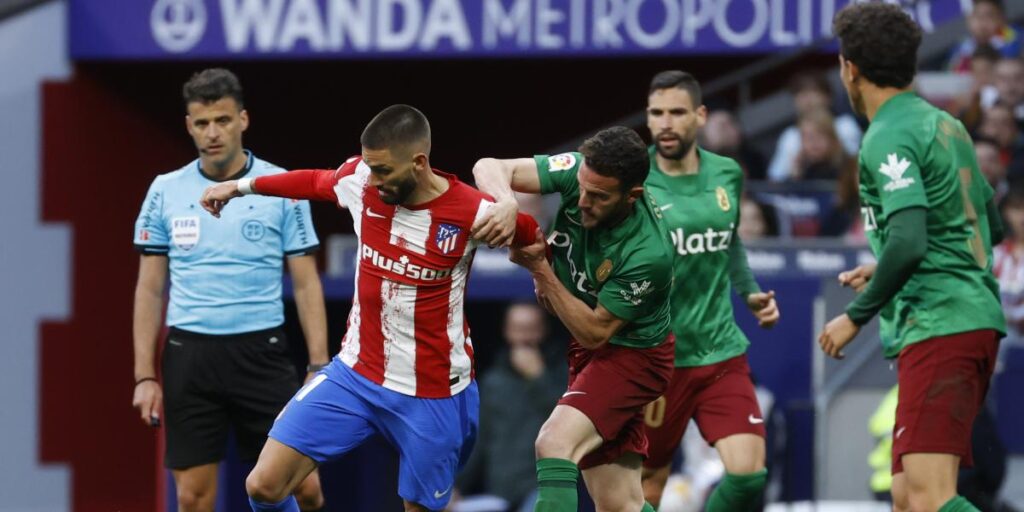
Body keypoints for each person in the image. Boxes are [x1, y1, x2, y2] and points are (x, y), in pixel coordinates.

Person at [199, 104, 539, 512]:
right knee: (263, 485)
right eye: (369, 167)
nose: (372, 178)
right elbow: (315, 181)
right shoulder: (361, 180)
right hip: (356, 373)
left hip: (434, 392)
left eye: (383, 170)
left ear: (419, 162)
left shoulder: (473, 212)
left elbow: (533, 239)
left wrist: (512, 214)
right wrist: (239, 188)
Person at [820, 5, 1006, 512]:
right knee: (905, 496)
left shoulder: (887, 135)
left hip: (941, 321)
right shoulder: (946, 125)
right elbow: (989, 225)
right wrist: (886, 268)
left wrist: (854, 317)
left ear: (850, 69)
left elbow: (908, 241)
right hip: (966, 317)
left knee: (929, 497)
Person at [130, 68, 327, 512]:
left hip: (262, 354)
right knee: (193, 498)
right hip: (190, 355)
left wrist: (318, 364)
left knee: (305, 489)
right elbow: (149, 289)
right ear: (189, 126)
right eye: (202, 123)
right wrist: (144, 376)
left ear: (243, 119)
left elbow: (305, 281)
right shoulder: (164, 190)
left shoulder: (281, 186)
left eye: (222, 120)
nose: (212, 133)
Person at [472, 126, 676, 512]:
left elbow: (595, 332)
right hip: (590, 352)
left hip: (633, 357)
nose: (582, 201)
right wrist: (506, 202)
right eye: (582, 188)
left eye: (599, 197)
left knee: (554, 443)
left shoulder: (649, 253)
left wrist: (540, 270)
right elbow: (489, 165)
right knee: (619, 504)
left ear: (631, 196)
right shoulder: (579, 170)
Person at [639, 70, 780, 511]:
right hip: (659, 360)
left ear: (699, 116)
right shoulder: (634, 179)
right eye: (657, 113)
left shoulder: (727, 173)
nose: (666, 123)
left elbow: (730, 240)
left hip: (721, 352)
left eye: (677, 112)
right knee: (648, 487)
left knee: (749, 475)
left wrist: (750, 292)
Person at [453, 303, 568, 512]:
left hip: (545, 485)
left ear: (544, 330)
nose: (524, 337)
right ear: (506, 331)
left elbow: (568, 424)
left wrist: (538, 377)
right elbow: (479, 438)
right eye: (518, 329)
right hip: (501, 490)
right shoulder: (494, 380)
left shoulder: (563, 373)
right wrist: (457, 485)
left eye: (531, 329)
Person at [766, 72, 862, 182]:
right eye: (801, 94)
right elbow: (775, 179)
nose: (807, 101)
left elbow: (858, 167)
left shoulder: (845, 125)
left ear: (827, 96)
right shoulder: (790, 135)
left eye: (813, 92)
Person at [947, 0, 1023, 74]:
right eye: (977, 16)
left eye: (989, 16)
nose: (982, 23)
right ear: (968, 20)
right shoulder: (962, 46)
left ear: (1001, 18)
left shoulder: (1014, 36)